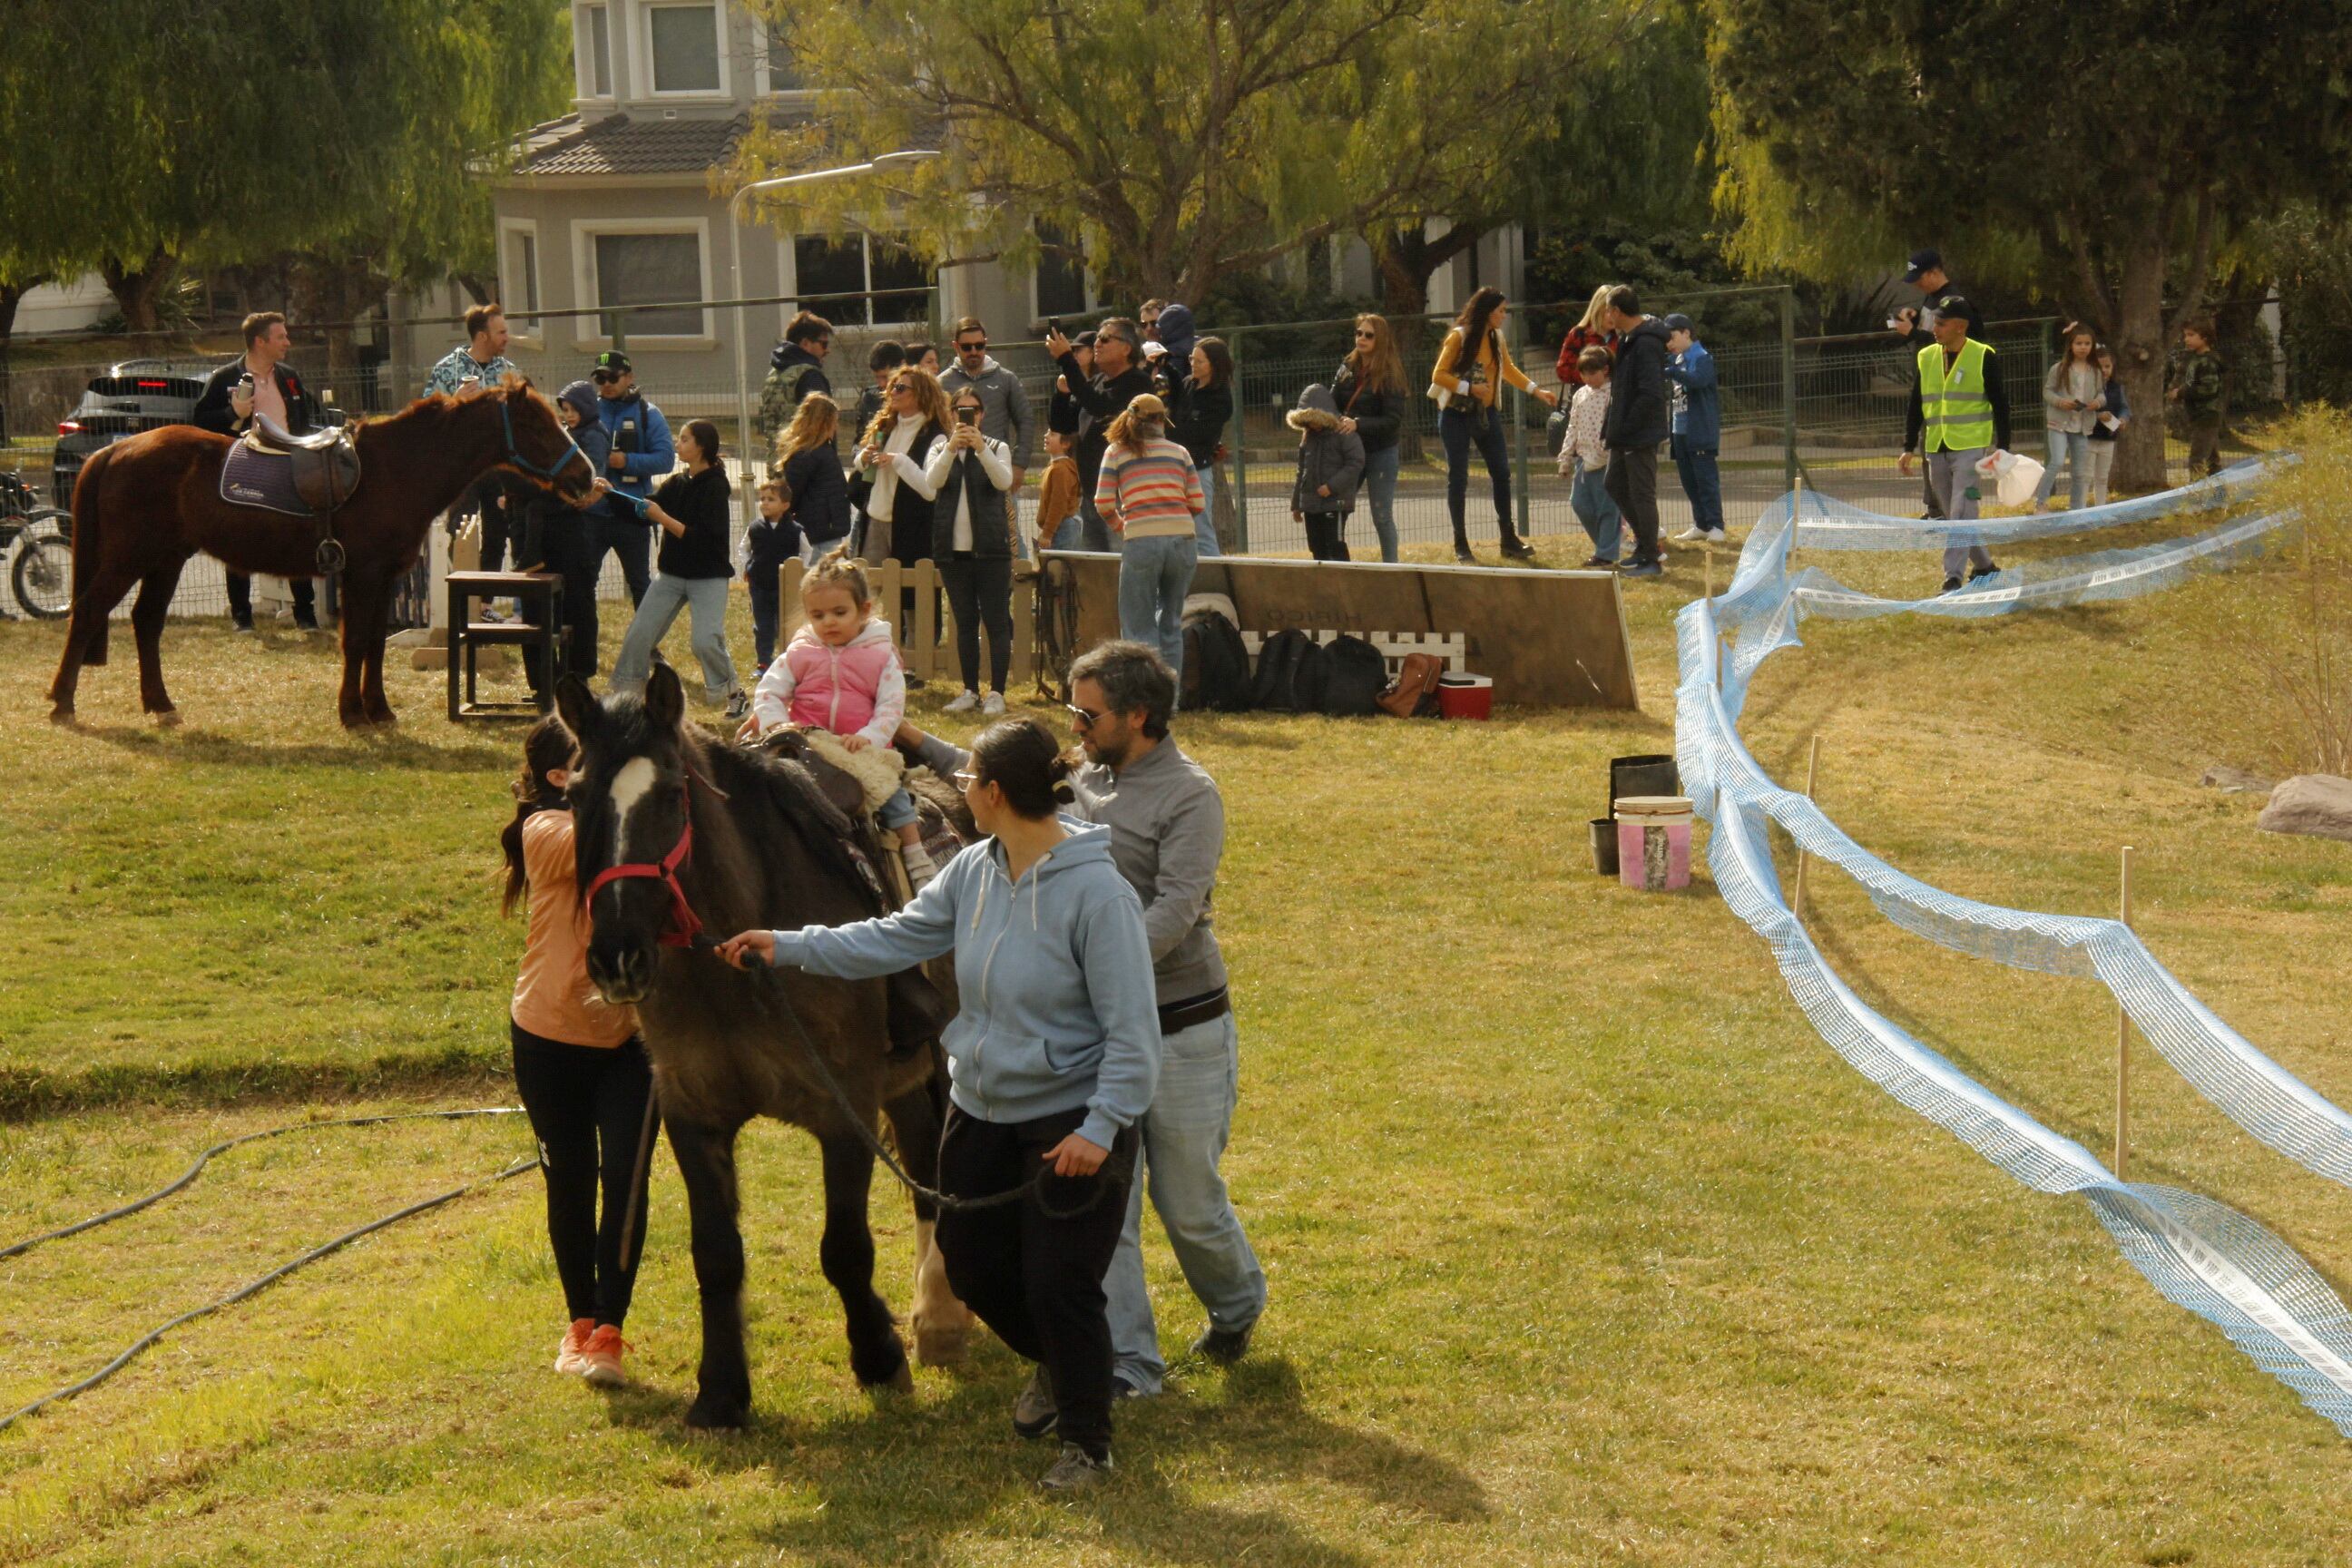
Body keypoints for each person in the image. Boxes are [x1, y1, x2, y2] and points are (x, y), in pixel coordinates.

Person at [715, 718, 1160, 1493]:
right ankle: (1060, 1368)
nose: (957, 789)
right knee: (975, 1268)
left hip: (1072, 1121)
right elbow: (892, 938)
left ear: (992, 793)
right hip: (982, 1107)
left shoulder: (1099, 893)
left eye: (966, 780)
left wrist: (1101, 1126)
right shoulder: (977, 870)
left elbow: (1133, 1033)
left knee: (1061, 1285)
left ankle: (1089, 1443)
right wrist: (787, 945)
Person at [898, 642, 1261, 1403]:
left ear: (1138, 715)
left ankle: (1236, 1304)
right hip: (1099, 1038)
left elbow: (1177, 907)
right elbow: (996, 773)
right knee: (1108, 1219)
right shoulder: (1082, 778)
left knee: (1189, 1204)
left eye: (1085, 713)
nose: (1074, 725)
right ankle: (1127, 1368)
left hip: (1184, 1026)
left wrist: (1095, 959)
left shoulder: (1192, 795)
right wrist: (910, 738)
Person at [502, 716, 654, 1389]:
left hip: (630, 1041)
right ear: (562, 777)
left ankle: (610, 1331)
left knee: (625, 1177)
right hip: (546, 1037)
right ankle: (579, 1325)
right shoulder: (546, 830)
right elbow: (613, 841)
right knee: (571, 1178)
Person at [745, 547, 940, 887]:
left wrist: (869, 736)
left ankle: (914, 851)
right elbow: (770, 690)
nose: (828, 622)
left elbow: (891, 706)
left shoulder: (880, 654)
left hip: (858, 746)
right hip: (807, 741)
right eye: (818, 616)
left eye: (839, 612)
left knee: (888, 791)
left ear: (863, 610)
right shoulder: (800, 652)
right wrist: (777, 724)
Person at [191, 310, 323, 632]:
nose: (287, 342)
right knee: (239, 537)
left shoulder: (289, 376)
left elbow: (306, 418)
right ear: (260, 342)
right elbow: (199, 423)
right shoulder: (224, 377)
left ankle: (305, 615)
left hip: (289, 465)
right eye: (281, 337)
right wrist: (231, 412)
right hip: (244, 465)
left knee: (297, 534)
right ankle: (242, 616)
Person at [606, 418, 749, 718]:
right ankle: (625, 699)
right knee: (639, 635)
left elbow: (704, 539)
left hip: (708, 577)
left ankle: (734, 693)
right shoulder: (678, 482)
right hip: (671, 575)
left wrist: (663, 519)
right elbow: (646, 511)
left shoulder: (716, 488)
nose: (677, 444)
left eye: (684, 439)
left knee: (704, 640)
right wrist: (610, 493)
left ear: (701, 447)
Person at [1430, 287, 1557, 564]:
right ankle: (1461, 544)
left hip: (1486, 414)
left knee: (1501, 473)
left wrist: (1537, 390)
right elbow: (1438, 375)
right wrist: (1468, 387)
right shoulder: (1459, 337)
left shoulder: (1495, 336)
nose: (1503, 316)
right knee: (1458, 478)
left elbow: (1508, 370)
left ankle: (1508, 539)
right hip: (1456, 415)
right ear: (1487, 312)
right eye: (1500, 311)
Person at [1898, 296, 2012, 593]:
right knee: (1953, 514)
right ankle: (1985, 567)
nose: (1934, 328)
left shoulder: (1983, 355)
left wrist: (2004, 447)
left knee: (1963, 510)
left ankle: (1953, 578)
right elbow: (1916, 403)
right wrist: (1908, 445)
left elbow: (2001, 405)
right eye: (1935, 321)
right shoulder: (1926, 356)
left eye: (1941, 323)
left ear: (1960, 327)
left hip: (1971, 450)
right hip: (1936, 449)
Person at [1094, 393, 1204, 677]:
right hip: (1183, 541)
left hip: (1141, 540)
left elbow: (1104, 503)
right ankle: (1170, 699)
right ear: (1161, 421)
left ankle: (1144, 695)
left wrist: (1124, 528)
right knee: (1171, 623)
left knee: (1138, 626)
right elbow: (1198, 503)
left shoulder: (1116, 452)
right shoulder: (1180, 452)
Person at [926, 382, 1018, 716]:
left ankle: (997, 692)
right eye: (961, 410)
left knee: (995, 621)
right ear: (951, 414)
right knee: (964, 621)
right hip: (953, 552)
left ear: (983, 414)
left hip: (992, 550)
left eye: (974, 410)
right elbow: (931, 483)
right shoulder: (940, 449)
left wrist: (982, 449)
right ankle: (969, 690)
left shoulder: (997, 446)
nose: (968, 416)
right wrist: (952, 448)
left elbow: (1004, 482)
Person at [514, 379, 612, 683]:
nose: (567, 415)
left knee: (577, 603)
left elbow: (587, 478)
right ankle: (544, 679)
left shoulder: (584, 436)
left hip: (568, 530)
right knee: (536, 608)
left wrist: (580, 493)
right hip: (540, 530)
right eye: (564, 410)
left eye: (571, 409)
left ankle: (576, 675)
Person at [1045, 318, 1156, 553]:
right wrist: (1062, 394)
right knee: (1097, 575)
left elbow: (1100, 406)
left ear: (1127, 348)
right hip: (1093, 496)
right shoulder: (1097, 381)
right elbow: (1063, 426)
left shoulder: (1138, 383)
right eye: (1097, 338)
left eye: (1105, 339)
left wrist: (1067, 360)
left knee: (1122, 567)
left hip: (1122, 497)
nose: (1098, 343)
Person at [583, 351, 673, 612]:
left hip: (632, 512)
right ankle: (583, 646)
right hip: (593, 514)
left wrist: (627, 462)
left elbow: (666, 459)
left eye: (613, 377)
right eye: (601, 378)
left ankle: (648, 648)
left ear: (630, 377)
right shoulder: (588, 413)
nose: (607, 384)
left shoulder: (648, 413)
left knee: (640, 584)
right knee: (583, 581)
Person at [1601, 286, 1671, 578]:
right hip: (1624, 431)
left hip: (1639, 432)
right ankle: (1643, 546)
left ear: (1617, 311)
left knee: (1642, 493)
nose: (1606, 316)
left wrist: (1628, 426)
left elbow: (1650, 393)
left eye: (1608, 310)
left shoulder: (1644, 343)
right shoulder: (1629, 339)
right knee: (1614, 483)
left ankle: (1651, 559)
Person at [1331, 315, 1407, 563]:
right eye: (1358, 333)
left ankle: (1391, 567)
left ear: (1381, 339)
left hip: (1381, 452)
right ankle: (1338, 562)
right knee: (1337, 509)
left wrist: (1358, 424)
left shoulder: (1390, 374)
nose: (1361, 338)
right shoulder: (1347, 366)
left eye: (1368, 335)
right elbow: (1333, 400)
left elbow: (1392, 420)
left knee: (1381, 514)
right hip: (1351, 452)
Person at [938, 315, 1037, 497]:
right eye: (967, 347)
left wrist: (1019, 464)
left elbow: (1025, 421)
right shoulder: (942, 383)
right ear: (956, 347)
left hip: (996, 470)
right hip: (955, 473)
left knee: (1004, 526)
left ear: (986, 344)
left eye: (979, 345)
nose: (974, 351)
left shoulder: (1006, 379)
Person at [1556, 346, 1622, 567]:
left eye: (1593, 373)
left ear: (1606, 370)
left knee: (1607, 507)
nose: (1588, 379)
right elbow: (1572, 427)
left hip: (1606, 460)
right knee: (1580, 503)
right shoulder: (1580, 395)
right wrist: (1565, 458)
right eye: (1584, 374)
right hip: (1584, 459)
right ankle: (1608, 543)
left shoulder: (1614, 393)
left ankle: (1605, 554)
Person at [1661, 313, 1725, 544]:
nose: (1669, 344)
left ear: (1686, 332)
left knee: (1706, 480)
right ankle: (1701, 524)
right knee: (1689, 480)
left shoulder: (1702, 357)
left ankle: (1716, 525)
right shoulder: (1676, 360)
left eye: (1672, 337)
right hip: (1680, 430)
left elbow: (1699, 380)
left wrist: (1673, 372)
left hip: (1700, 430)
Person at [1168, 335, 1233, 560]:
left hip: (1196, 469)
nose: (1193, 364)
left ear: (1214, 364)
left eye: (1199, 361)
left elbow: (1196, 435)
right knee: (1174, 530)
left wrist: (1168, 432)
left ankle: (1214, 578)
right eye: (1191, 359)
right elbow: (1174, 416)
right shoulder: (1188, 383)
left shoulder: (1221, 399)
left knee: (1201, 529)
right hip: (1173, 466)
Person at [1288, 384, 1366, 562]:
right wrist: (1297, 503)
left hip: (1335, 502)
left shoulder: (1344, 434)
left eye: (1315, 419)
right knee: (1316, 545)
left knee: (1335, 544)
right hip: (1312, 502)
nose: (1312, 424)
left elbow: (1356, 463)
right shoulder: (1308, 438)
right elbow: (1301, 471)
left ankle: (1343, 580)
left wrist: (1332, 486)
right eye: (1307, 420)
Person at [774, 392, 853, 564]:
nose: (836, 427)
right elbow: (792, 492)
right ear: (824, 423)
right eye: (834, 422)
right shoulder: (808, 454)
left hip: (825, 527)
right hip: (818, 531)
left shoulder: (820, 450)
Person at [2035, 320, 2103, 512]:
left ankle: (2077, 508)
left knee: (2080, 472)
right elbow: (2048, 392)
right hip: (2059, 423)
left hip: (2082, 425)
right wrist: (2060, 402)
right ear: (2071, 346)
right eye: (2079, 343)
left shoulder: (2095, 371)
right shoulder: (2059, 368)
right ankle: (2041, 502)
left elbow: (2101, 394)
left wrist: (2097, 403)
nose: (2083, 348)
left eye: (2087, 344)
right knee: (2056, 461)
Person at [848, 341, 906, 556]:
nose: (882, 385)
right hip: (871, 486)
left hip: (899, 486)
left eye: (886, 377)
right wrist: (862, 454)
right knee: (860, 554)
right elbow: (858, 437)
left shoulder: (915, 397)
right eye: (877, 378)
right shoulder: (870, 398)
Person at [745, 477, 804, 675]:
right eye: (762, 499)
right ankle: (763, 662)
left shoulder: (795, 530)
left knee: (786, 625)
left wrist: (800, 573)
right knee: (763, 626)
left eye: (771, 499)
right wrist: (749, 566)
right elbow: (743, 549)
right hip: (760, 585)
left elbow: (807, 553)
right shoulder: (755, 529)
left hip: (785, 587)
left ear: (785, 505)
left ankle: (789, 661)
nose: (765, 503)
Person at [759, 310, 835, 450]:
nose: (827, 350)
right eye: (824, 344)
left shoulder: (773, 374)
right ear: (805, 343)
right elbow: (823, 429)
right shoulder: (810, 375)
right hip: (807, 464)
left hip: (777, 462)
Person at [425, 301, 516, 399]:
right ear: (482, 336)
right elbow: (427, 413)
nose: (506, 338)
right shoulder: (445, 370)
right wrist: (455, 401)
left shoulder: (509, 371)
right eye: (501, 333)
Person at [2171, 319, 2226, 478]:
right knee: (2212, 462)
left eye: (2191, 335)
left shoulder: (2208, 361)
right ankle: (2219, 499)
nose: (2186, 339)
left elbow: (2209, 389)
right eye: (2185, 335)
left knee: (2197, 460)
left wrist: (2181, 393)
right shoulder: (2194, 359)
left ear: (2205, 338)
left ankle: (2196, 500)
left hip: (2207, 416)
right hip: (2199, 416)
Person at [2084, 344, 2129, 506]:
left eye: (2107, 366)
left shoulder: (2116, 387)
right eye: (2099, 366)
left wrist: (2123, 419)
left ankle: (2100, 509)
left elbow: (2124, 407)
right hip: (2089, 437)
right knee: (2085, 476)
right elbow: (2080, 411)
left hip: (2108, 439)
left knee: (2102, 478)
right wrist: (2097, 416)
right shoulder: (2086, 388)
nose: (2104, 370)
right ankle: (2080, 511)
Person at [1553, 285, 1621, 392]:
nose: (1612, 316)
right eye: (1608, 311)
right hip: (1585, 397)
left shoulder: (1620, 337)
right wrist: (1590, 376)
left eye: (1616, 312)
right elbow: (1562, 370)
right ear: (1597, 310)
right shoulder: (1579, 334)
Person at [1034, 426, 1083, 554]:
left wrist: (1047, 534)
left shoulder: (1060, 469)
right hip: (1060, 527)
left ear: (1066, 444)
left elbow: (1058, 503)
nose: (1046, 435)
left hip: (1063, 528)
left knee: (1059, 569)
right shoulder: (1055, 467)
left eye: (1052, 434)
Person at [1048, 330, 1094, 441]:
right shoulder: (1072, 382)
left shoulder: (1102, 381)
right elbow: (1059, 426)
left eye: (1078, 350)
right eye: (1072, 351)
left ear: (1093, 352)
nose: (1074, 355)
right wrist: (1061, 394)